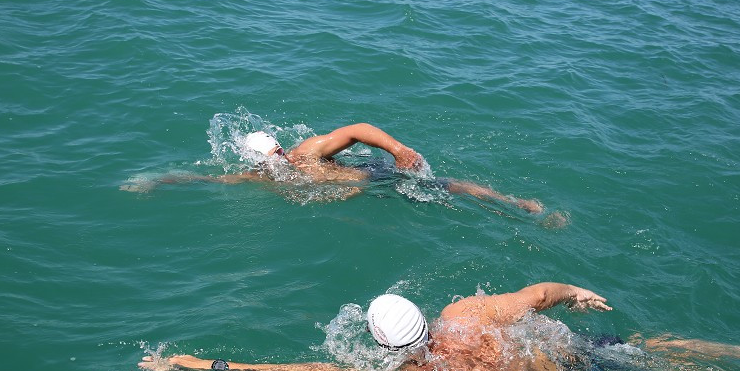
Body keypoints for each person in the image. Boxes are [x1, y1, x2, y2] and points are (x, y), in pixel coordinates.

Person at [139, 282, 740, 371]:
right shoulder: (464, 317)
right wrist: (576, 293)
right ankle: (736, 352)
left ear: (385, 347)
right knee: (635, 347)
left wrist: (209, 365)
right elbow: (539, 295)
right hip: (568, 351)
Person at [123, 123, 554, 217]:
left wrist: (400, 148)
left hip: (374, 173)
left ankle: (514, 202)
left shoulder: (308, 151)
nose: (279, 161)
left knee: (447, 186)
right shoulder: (260, 177)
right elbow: (207, 178)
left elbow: (359, 128)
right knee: (442, 192)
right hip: (363, 188)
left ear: (277, 147)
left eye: (277, 153)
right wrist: (156, 180)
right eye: (270, 160)